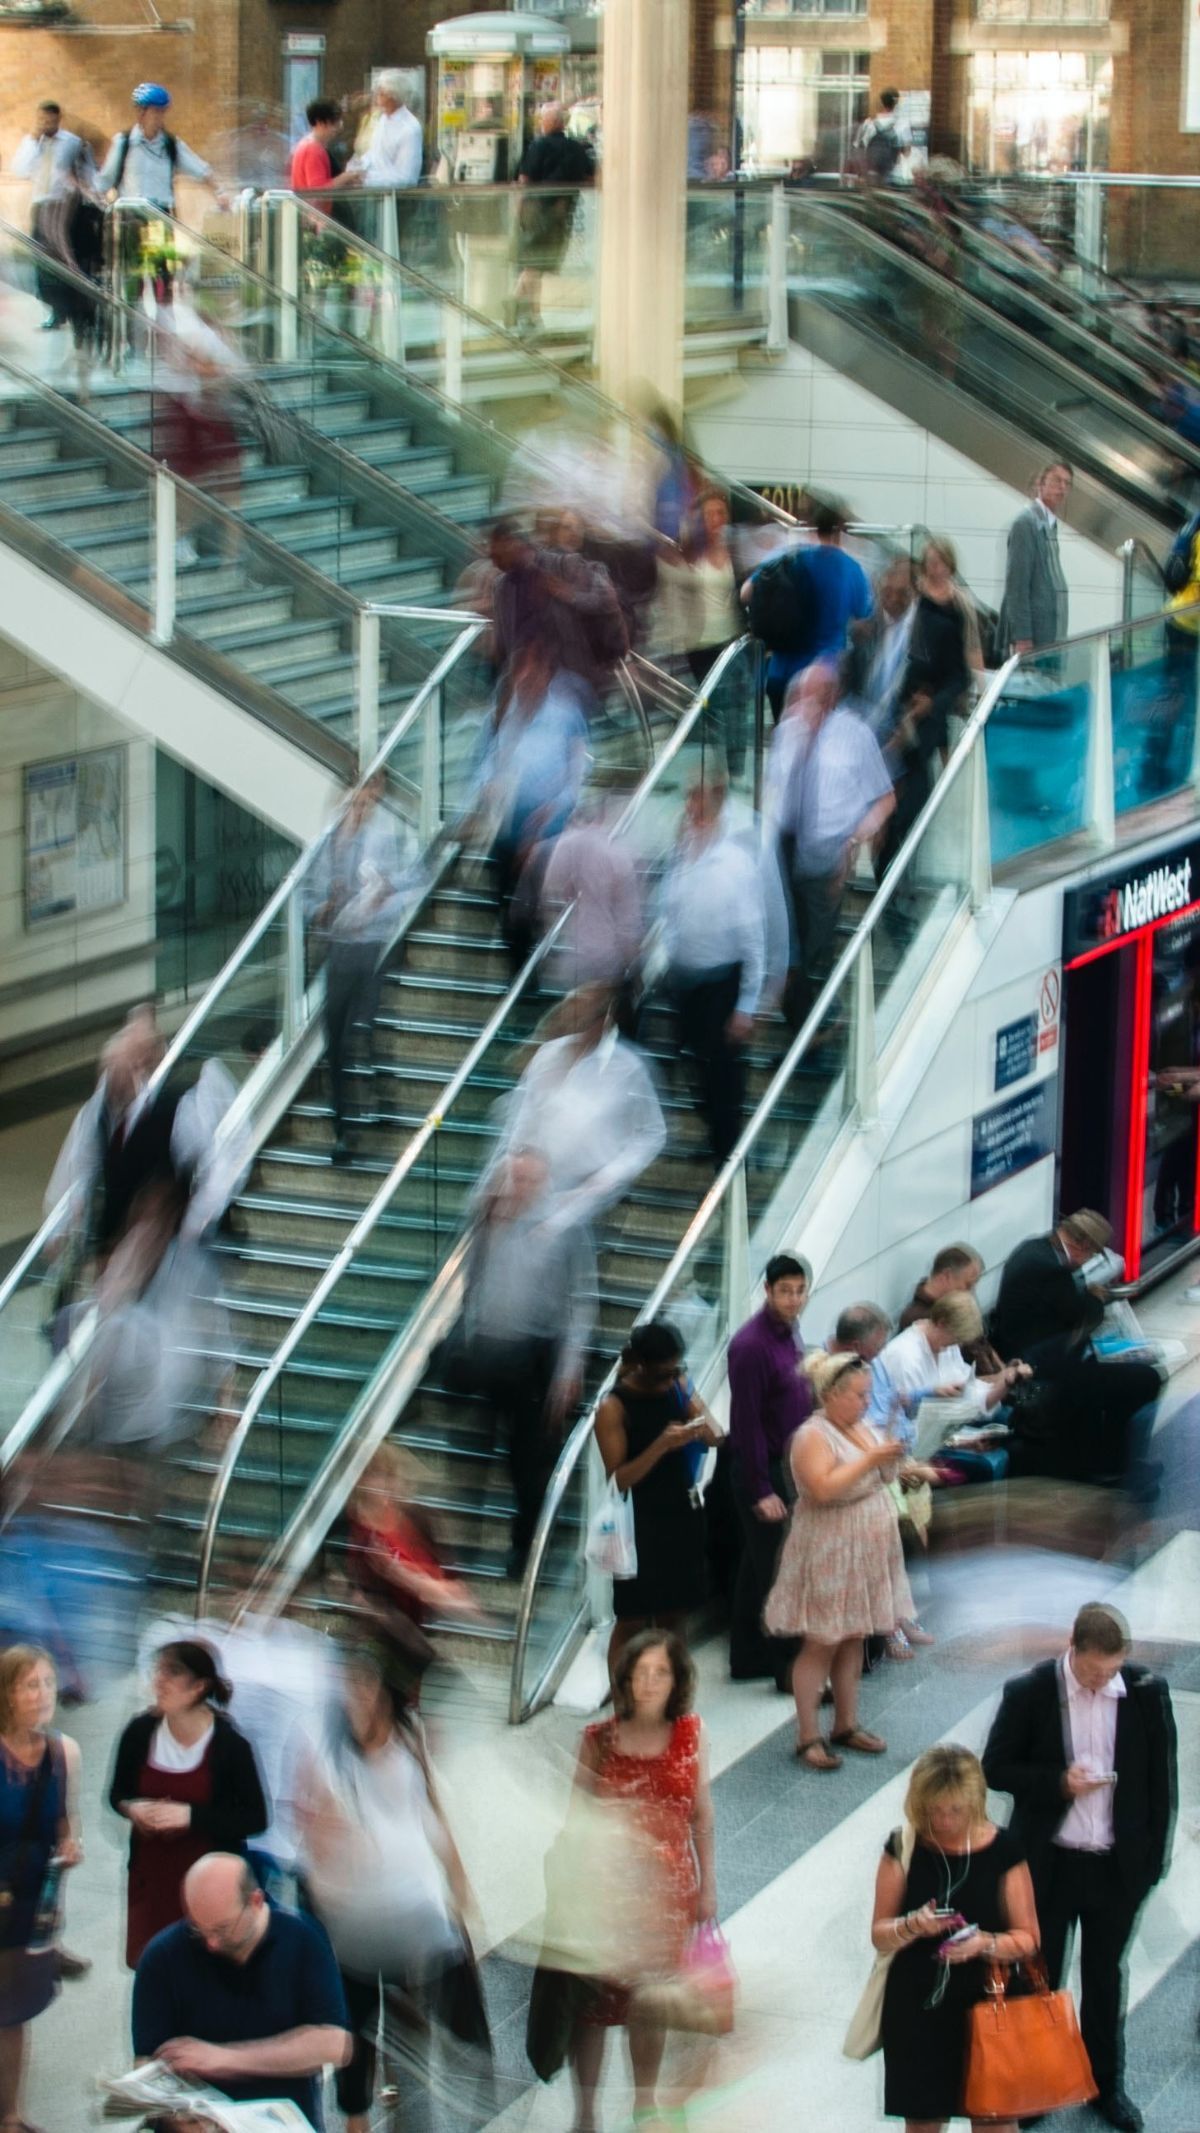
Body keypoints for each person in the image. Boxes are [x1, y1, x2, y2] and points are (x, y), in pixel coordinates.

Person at [983, 1602, 1177, 2133]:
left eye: (1111, 1670)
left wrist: (1149, 1868)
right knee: (1038, 1977)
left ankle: (1103, 2085)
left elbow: (1162, 1786)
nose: (1101, 1681)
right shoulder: (1031, 1693)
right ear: (1074, 1648)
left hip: (1115, 1869)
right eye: (1094, 1671)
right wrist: (1058, 1783)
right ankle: (1036, 2085)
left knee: (1105, 1979)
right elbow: (996, 1767)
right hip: (1050, 1864)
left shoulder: (1143, 1693)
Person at [296, 1646, 490, 2133]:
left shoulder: (409, 1736)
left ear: (384, 1691)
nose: (355, 1697)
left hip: (411, 1907)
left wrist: (458, 1879)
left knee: (416, 2012)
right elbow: (312, 1829)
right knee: (355, 2022)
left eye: (364, 1685)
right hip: (348, 1916)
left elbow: (431, 1807)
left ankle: (408, 2100)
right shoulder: (324, 1752)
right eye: (347, 1688)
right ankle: (358, 2116)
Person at [568, 1632, 716, 2133]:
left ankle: (643, 2103)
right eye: (640, 1672)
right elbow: (575, 1821)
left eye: (661, 1672)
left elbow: (702, 1815)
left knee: (649, 2003)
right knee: (590, 2007)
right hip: (604, 1894)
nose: (649, 1683)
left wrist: (708, 1885)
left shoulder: (691, 1734)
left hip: (666, 1896)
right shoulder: (598, 1739)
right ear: (625, 1679)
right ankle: (585, 2114)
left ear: (677, 1680)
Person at [873, 1743, 1039, 2133]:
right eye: (935, 1811)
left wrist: (984, 1943)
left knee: (995, 2121)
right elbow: (880, 1933)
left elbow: (1029, 1937)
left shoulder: (1004, 1850)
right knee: (924, 2120)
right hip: (917, 2005)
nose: (945, 1821)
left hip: (989, 2001)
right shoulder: (903, 1847)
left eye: (955, 1810)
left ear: (974, 1803)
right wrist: (913, 1925)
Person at [450, 1148, 596, 1577]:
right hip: (490, 1350)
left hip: (536, 1355)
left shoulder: (564, 1227)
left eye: (529, 1180)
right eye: (515, 1179)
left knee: (527, 1460)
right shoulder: (487, 1220)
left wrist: (570, 1369)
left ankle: (525, 1549)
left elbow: (581, 1302)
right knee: (474, 1448)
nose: (520, 1189)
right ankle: (465, 1546)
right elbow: (471, 1283)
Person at [132, 1851, 352, 2129]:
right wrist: (179, 2119)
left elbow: (334, 2043)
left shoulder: (301, 1939)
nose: (210, 1943)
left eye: (222, 1929)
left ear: (256, 1901)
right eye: (199, 1929)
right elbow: (145, 2062)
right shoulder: (161, 1957)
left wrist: (225, 2059)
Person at [765, 1351, 910, 1770]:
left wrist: (894, 1456)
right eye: (859, 1395)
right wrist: (871, 1459)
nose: (866, 1403)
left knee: (853, 1635)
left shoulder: (860, 1426)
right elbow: (822, 1489)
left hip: (865, 1544)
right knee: (822, 1640)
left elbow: (882, 1474)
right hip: (830, 1545)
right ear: (831, 1395)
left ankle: (846, 1723)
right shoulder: (812, 1434)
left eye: (868, 1395)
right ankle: (807, 1734)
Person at [108, 1640, 268, 1967]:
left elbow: (256, 1818)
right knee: (155, 1969)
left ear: (198, 1686)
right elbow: (117, 1794)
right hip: (151, 1879)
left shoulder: (229, 1745)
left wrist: (191, 1817)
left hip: (208, 1888)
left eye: (173, 1673)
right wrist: (131, 1808)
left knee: (203, 1971)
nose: (160, 1681)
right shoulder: (140, 1733)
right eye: (159, 1671)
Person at [989, 1209, 1162, 1492]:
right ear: (1083, 1246)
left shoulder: (1033, 1249)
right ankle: (1113, 1465)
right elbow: (1081, 1315)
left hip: (1047, 1361)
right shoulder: (1050, 1271)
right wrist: (1095, 1298)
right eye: (1093, 1255)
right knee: (1143, 1380)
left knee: (1126, 1378)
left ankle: (1113, 1461)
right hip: (1044, 1373)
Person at [770, 661, 895, 1028]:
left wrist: (856, 839)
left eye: (814, 695)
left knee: (814, 949)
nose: (805, 703)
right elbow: (774, 790)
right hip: (784, 847)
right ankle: (804, 1024)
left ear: (832, 696)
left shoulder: (854, 734)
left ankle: (812, 1026)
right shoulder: (786, 731)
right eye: (802, 695)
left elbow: (885, 798)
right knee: (789, 947)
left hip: (829, 852)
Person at [594, 1322, 721, 1682]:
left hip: (679, 1513)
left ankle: (673, 1702)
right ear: (642, 1366)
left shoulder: (677, 1388)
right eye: (665, 1372)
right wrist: (661, 1446)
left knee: (674, 1613)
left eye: (678, 1369)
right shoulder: (613, 1407)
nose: (672, 1378)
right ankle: (622, 1707)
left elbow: (715, 1436)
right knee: (632, 1618)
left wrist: (693, 1406)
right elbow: (618, 1478)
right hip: (638, 1521)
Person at [306, 769, 421, 1165]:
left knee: (367, 1028)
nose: (357, 810)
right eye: (352, 803)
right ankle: (344, 1129)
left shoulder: (389, 835)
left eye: (364, 802)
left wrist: (384, 896)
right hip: (339, 949)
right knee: (335, 1038)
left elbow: (413, 877)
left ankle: (381, 1096)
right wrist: (319, 910)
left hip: (374, 946)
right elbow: (307, 893)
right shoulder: (328, 843)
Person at [495, 982, 666, 1234]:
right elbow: (523, 1116)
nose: (575, 1022)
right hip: (537, 1192)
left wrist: (612, 1175)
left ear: (604, 1022)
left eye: (584, 1015)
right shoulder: (547, 1055)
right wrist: (512, 1168)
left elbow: (653, 1132)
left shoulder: (629, 1067)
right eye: (571, 1012)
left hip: (593, 1200)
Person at [660, 771, 767, 1171]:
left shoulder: (736, 862)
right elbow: (671, 909)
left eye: (698, 800)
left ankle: (730, 1152)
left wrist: (746, 1005)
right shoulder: (683, 852)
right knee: (695, 1065)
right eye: (689, 800)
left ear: (716, 803)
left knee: (724, 1074)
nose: (690, 809)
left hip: (723, 981)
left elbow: (753, 937)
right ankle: (713, 1138)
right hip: (686, 978)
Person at [0, 1645, 82, 2133]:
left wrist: (71, 1847)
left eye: (49, 1683)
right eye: (31, 1684)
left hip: (30, 1907)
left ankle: (9, 2115)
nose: (43, 1694)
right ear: (6, 1694)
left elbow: (66, 1824)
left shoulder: (63, 1752)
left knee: (13, 2014)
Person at [471, 637, 589, 976]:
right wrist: (486, 786)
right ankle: (518, 961)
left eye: (532, 676)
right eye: (520, 676)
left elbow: (578, 770)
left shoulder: (565, 714)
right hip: (505, 823)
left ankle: (528, 971)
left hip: (546, 828)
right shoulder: (505, 711)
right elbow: (485, 760)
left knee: (528, 897)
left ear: (545, 677)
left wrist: (558, 807)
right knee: (502, 893)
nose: (526, 683)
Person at [726, 1254, 813, 1690]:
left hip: (786, 1462)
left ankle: (746, 1657)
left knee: (754, 1565)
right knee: (779, 1571)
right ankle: (789, 1671)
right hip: (761, 1468)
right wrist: (761, 1487)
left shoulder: (787, 1333)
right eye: (785, 1291)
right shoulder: (751, 1346)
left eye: (800, 1291)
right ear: (768, 1290)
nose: (794, 1300)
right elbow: (747, 1423)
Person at [44, 1007, 181, 1268]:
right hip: (114, 1228)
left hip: (157, 1231)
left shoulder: (168, 1108)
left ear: (138, 1067)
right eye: (107, 1070)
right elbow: (79, 1164)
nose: (108, 1079)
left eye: (116, 1070)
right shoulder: (98, 1110)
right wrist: (60, 1227)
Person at [747, 503, 874, 717]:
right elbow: (864, 619)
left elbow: (746, 591)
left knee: (788, 738)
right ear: (841, 532)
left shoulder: (790, 559)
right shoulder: (851, 569)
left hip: (781, 673)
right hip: (822, 680)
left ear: (814, 528)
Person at [539, 775, 644, 998]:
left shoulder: (566, 843)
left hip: (575, 953)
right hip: (608, 957)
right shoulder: (620, 856)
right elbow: (628, 923)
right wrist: (635, 970)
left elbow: (551, 893)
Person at [871, 1292, 1027, 1425]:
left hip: (946, 1424)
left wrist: (1006, 1382)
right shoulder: (905, 1356)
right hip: (917, 1435)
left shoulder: (946, 1344)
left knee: (1013, 1417)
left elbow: (971, 1395)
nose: (956, 1344)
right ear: (941, 1323)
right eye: (955, 1338)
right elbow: (909, 1417)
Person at [12, 101, 98, 332]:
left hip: (65, 210)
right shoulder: (32, 143)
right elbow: (20, 169)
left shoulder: (72, 143)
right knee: (43, 264)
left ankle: (75, 310)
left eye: (50, 120)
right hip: (41, 205)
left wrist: (87, 190)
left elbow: (87, 171)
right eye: (42, 120)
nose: (45, 124)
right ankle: (55, 310)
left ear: (58, 119)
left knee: (66, 262)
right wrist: (32, 140)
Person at [513, 102, 595, 335]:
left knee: (531, 265)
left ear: (553, 122)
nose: (540, 122)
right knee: (537, 266)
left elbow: (524, 180)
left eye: (543, 119)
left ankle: (518, 306)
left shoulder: (538, 146)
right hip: (561, 214)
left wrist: (519, 210)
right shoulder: (576, 149)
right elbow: (591, 178)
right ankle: (531, 314)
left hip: (536, 211)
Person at [98, 83, 221, 214]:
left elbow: (202, 171)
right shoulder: (124, 143)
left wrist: (220, 193)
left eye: (162, 112)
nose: (159, 117)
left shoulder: (171, 145)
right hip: (130, 214)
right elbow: (106, 179)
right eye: (155, 111)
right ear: (141, 113)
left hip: (161, 216)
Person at [996, 461, 1072, 656]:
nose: (1062, 488)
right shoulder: (1026, 524)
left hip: (1049, 635)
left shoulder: (1048, 525)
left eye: (1067, 483)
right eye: (1057, 481)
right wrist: (1022, 637)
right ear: (1041, 483)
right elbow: (1017, 585)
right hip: (1033, 640)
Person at [845, 553, 917, 741]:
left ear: (914, 593)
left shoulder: (923, 628)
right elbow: (848, 676)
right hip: (860, 731)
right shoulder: (864, 625)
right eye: (887, 591)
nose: (893, 598)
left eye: (902, 592)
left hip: (901, 736)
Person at [682, 489, 744, 687]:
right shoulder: (690, 553)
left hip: (731, 641)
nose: (716, 519)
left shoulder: (737, 552)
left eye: (720, 513)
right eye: (709, 514)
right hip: (699, 643)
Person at [353, 73, 423, 189]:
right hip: (372, 195)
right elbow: (374, 154)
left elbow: (407, 178)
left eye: (381, 94)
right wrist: (356, 170)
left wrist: (368, 180)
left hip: (396, 200)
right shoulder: (381, 119)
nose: (376, 98)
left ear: (394, 97)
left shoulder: (410, 128)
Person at [897, 1242, 982, 1330]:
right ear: (946, 1276)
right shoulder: (916, 1320)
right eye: (968, 1285)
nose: (971, 1293)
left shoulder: (954, 1308)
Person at [288, 97, 354, 192]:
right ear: (320, 122)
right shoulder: (313, 149)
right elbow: (318, 190)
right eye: (334, 122)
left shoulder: (308, 145)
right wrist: (346, 177)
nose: (339, 127)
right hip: (311, 206)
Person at [854, 87, 911, 185]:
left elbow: (859, 150)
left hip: (872, 175)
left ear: (881, 102)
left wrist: (862, 174)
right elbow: (907, 153)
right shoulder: (903, 124)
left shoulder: (869, 124)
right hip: (894, 174)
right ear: (896, 103)